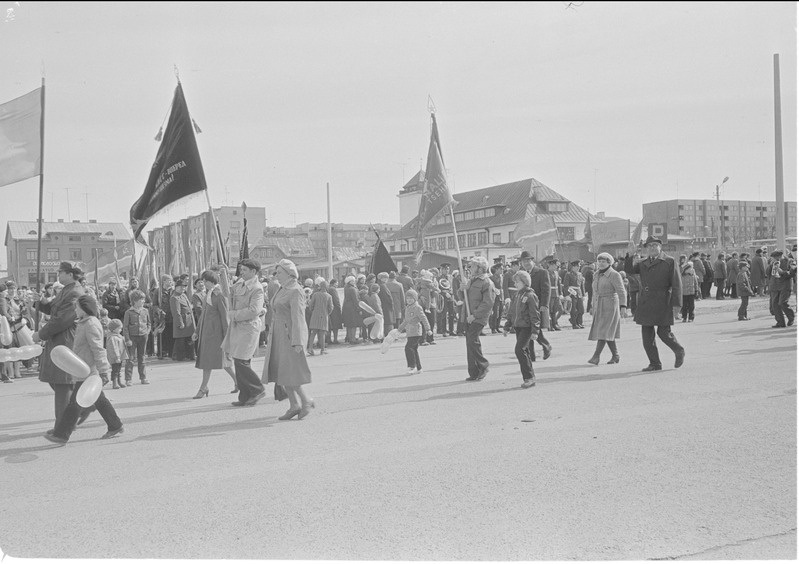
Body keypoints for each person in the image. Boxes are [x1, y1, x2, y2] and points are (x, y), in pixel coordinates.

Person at [44, 294, 124, 444]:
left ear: (85, 308)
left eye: (77, 307)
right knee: (99, 400)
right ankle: (115, 425)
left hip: (89, 370)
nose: (75, 310)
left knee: (75, 404)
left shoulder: (91, 324)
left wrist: (103, 370)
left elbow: (98, 349)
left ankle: (61, 435)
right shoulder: (84, 322)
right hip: (83, 369)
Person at [32, 262, 86, 430]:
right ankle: (81, 407)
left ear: (70, 274)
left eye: (60, 272)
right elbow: (53, 310)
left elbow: (62, 320)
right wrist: (39, 302)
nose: (58, 274)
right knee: (58, 382)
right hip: (59, 339)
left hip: (66, 340)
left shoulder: (75, 292)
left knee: (62, 382)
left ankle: (62, 427)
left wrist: (40, 334)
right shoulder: (66, 289)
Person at [262, 259, 315, 420]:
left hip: (289, 336)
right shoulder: (283, 288)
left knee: (290, 372)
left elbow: (298, 317)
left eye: (279, 272)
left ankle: (305, 401)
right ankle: (294, 405)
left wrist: (298, 340)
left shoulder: (295, 290)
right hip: (278, 334)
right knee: (281, 372)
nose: (276, 275)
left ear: (289, 273)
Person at [624, 236, 684, 372]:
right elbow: (629, 269)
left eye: (654, 245)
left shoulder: (669, 261)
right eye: (649, 246)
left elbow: (677, 284)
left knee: (664, 333)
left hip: (663, 301)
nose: (652, 248)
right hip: (646, 302)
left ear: (660, 247)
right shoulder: (644, 262)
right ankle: (655, 363)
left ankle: (678, 350)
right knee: (647, 337)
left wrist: (677, 305)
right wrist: (630, 254)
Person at [223, 259, 267, 407]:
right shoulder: (239, 284)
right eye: (241, 270)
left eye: (244, 270)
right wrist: (223, 275)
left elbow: (254, 310)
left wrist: (234, 314)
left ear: (254, 272)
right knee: (240, 360)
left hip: (249, 327)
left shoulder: (256, 288)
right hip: (238, 327)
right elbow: (229, 293)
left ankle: (257, 389)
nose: (241, 272)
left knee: (241, 361)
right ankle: (245, 395)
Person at [191, 269, 237, 398]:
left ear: (210, 281)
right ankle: (205, 387)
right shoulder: (208, 294)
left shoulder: (220, 295)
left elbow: (225, 317)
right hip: (207, 333)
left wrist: (227, 336)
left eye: (204, 281)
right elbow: (203, 316)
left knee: (221, 361)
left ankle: (204, 388)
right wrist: (197, 331)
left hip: (216, 334)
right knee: (209, 361)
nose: (203, 283)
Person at [587, 253, 628, 365]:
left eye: (603, 261)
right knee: (607, 331)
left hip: (610, 305)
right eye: (599, 261)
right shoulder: (596, 274)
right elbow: (594, 291)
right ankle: (615, 355)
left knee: (604, 330)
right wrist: (592, 306)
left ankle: (596, 356)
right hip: (599, 305)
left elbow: (621, 291)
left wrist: (623, 306)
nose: (600, 263)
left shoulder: (614, 275)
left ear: (609, 263)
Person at [503, 270, 540, 388]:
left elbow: (535, 314)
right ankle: (530, 377)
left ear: (524, 282)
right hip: (518, 326)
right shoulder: (517, 295)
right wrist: (507, 326)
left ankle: (528, 377)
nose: (515, 284)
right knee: (525, 351)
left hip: (527, 327)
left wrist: (535, 330)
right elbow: (512, 312)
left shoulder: (530, 296)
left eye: (517, 282)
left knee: (519, 350)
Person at [464, 257, 494, 381]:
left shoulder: (487, 282)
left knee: (472, 340)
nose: (470, 268)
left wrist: (474, 315)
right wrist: (463, 289)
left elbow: (488, 303)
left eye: (473, 266)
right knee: (471, 343)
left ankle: (483, 365)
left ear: (480, 268)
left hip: (478, 317)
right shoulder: (472, 281)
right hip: (468, 315)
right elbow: (464, 297)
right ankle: (474, 371)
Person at [520, 250, 552, 360]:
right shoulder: (521, 274)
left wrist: (544, 304)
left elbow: (546, 290)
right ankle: (532, 355)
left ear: (532, 261)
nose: (526, 263)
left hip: (537, 305)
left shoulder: (542, 272)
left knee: (533, 328)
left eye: (528, 260)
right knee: (528, 329)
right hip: (525, 306)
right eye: (524, 261)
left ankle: (546, 346)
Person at [397, 288, 431, 374]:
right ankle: (419, 368)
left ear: (415, 299)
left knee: (408, 348)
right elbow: (406, 321)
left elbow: (424, 318)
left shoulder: (417, 307)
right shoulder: (408, 308)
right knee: (414, 349)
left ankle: (413, 366)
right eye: (407, 298)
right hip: (409, 332)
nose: (409, 300)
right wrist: (399, 329)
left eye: (411, 298)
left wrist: (428, 329)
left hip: (416, 331)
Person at [122, 289, 151, 386]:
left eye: (143, 300)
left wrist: (147, 332)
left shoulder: (145, 311)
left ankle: (143, 378)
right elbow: (125, 327)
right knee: (130, 359)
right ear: (134, 301)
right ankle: (128, 379)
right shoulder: (128, 312)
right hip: (132, 338)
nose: (143, 301)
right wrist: (127, 339)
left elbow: (149, 323)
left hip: (143, 337)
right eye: (141, 300)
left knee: (142, 358)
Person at [767, 250, 795, 328]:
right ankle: (780, 322)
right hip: (775, 286)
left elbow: (792, 273)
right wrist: (770, 265)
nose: (776, 259)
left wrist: (782, 272)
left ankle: (791, 317)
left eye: (777, 257)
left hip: (785, 286)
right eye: (774, 258)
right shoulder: (772, 263)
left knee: (782, 303)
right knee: (775, 305)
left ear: (781, 256)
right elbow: (768, 274)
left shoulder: (790, 261)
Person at [170, 278, 196, 362]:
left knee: (189, 339)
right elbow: (176, 312)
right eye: (181, 287)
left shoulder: (183, 295)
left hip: (189, 320)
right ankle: (179, 356)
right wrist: (180, 323)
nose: (183, 288)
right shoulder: (174, 298)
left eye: (184, 287)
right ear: (176, 287)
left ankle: (190, 355)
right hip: (182, 320)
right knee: (180, 340)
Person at [307, 277, 333, 356]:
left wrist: (313, 310)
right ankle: (322, 349)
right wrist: (327, 313)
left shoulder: (315, 294)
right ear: (326, 287)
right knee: (322, 333)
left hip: (315, 315)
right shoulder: (329, 296)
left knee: (313, 333)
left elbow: (311, 305)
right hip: (324, 315)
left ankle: (310, 349)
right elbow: (331, 307)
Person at [563, 260, 585, 329]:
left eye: (579, 266)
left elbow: (581, 286)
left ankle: (579, 322)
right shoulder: (568, 274)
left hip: (579, 293)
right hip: (571, 293)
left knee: (581, 309)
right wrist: (567, 294)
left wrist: (583, 294)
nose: (578, 268)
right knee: (573, 310)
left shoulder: (580, 274)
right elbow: (566, 285)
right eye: (577, 266)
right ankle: (574, 324)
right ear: (573, 267)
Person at [106, 319, 126, 389]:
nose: (120, 330)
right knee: (115, 370)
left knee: (119, 369)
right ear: (114, 329)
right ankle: (115, 382)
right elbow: (113, 348)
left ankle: (119, 381)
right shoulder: (112, 338)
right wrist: (116, 357)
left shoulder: (118, 336)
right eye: (119, 328)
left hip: (119, 356)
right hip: (115, 357)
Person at [342, 275, 362, 345]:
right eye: (353, 280)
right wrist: (359, 309)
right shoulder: (353, 289)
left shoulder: (346, 287)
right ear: (350, 281)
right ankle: (353, 339)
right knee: (353, 324)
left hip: (346, 307)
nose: (354, 281)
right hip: (352, 308)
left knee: (349, 324)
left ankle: (350, 338)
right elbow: (355, 300)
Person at [679, 258, 700, 323]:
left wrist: (696, 291)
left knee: (691, 306)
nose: (691, 269)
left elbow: (696, 282)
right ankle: (684, 317)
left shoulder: (693, 274)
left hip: (691, 292)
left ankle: (691, 317)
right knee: (684, 306)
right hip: (684, 292)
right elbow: (679, 283)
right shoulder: (682, 275)